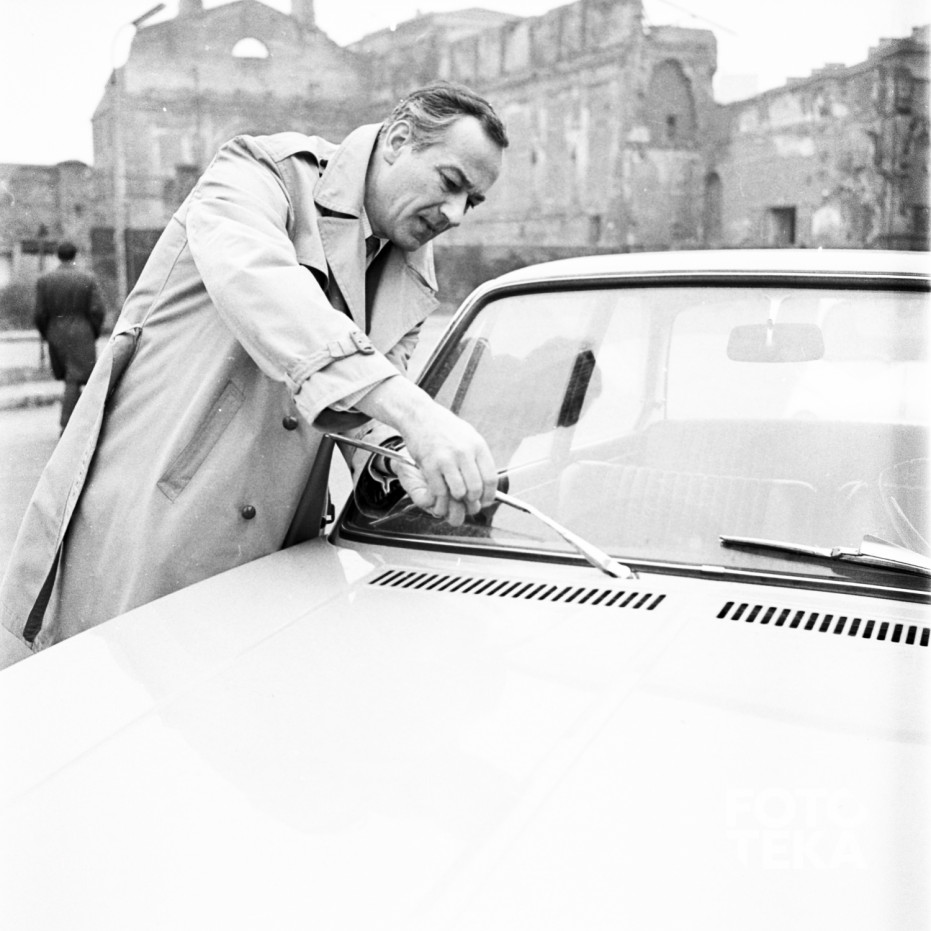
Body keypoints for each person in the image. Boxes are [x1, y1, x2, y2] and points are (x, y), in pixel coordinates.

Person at [0, 81, 508, 664]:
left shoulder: (413, 266)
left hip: (278, 547)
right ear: (397, 140)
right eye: (450, 182)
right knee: (122, 693)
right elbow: (261, 285)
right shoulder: (259, 171)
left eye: (473, 201)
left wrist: (399, 462)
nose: (456, 215)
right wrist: (419, 416)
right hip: (159, 524)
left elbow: (368, 409)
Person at [34, 241, 106, 431]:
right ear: (76, 255)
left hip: (55, 331)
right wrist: (93, 330)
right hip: (82, 332)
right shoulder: (87, 278)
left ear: (57, 256)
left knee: (70, 376)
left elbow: (39, 314)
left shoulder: (45, 280)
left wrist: (47, 333)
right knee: (77, 377)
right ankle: (69, 425)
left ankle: (74, 423)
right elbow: (97, 310)